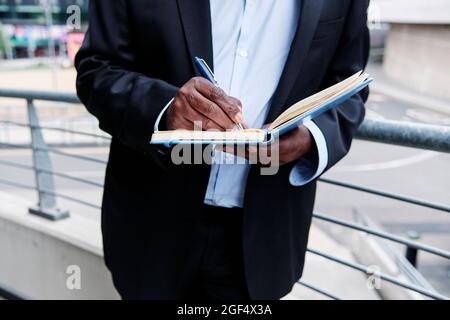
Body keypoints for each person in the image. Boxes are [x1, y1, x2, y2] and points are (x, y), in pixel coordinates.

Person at [75, 0, 370, 300]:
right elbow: (97, 70)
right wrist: (165, 109)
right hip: (152, 227)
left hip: (263, 241)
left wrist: (310, 138)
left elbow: (350, 88)